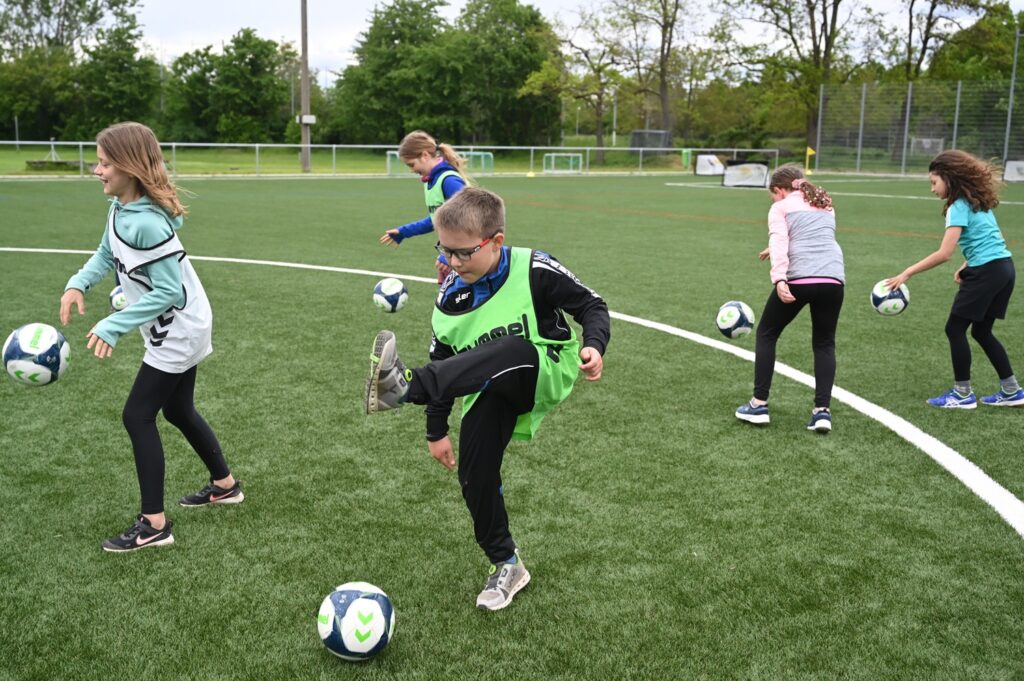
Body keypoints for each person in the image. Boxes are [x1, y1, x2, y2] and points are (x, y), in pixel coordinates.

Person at [365, 187, 610, 611]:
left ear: (496, 241)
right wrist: (436, 430)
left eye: (463, 253)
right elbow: (445, 360)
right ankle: (507, 563)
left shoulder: (534, 267)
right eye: (444, 251)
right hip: (489, 384)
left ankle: (405, 387)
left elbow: (592, 305)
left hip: (544, 367)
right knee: (475, 473)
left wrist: (594, 344)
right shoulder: (450, 296)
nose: (452, 263)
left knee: (512, 349)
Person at [59, 121, 243, 553]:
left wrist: (113, 324)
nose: (97, 171)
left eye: (105, 164)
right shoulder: (120, 209)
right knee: (177, 409)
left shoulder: (146, 223)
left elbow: (169, 291)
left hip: (179, 328)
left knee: (137, 415)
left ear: (129, 167)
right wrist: (77, 284)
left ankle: (154, 525)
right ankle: (225, 486)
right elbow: (107, 253)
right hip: (181, 323)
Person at [885, 150, 1020, 408]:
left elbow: (944, 253)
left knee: (954, 329)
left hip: (987, 272)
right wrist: (968, 263)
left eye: (934, 182)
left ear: (949, 178)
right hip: (1004, 268)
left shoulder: (958, 206)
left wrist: (907, 272)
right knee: (981, 331)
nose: (932, 189)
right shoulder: (977, 201)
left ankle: (962, 394)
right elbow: (993, 238)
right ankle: (1012, 390)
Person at [735, 165, 845, 432]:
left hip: (800, 279)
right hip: (833, 279)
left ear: (779, 190)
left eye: (772, 195)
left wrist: (780, 279)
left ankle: (759, 404)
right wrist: (772, 248)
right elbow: (813, 236)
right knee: (824, 343)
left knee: (767, 333)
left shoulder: (780, 207)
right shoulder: (825, 203)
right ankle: (822, 412)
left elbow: (781, 239)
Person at [379, 130, 469, 283]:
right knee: (448, 297)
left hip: (467, 256)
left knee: (464, 297)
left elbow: (469, 220)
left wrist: (451, 254)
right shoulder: (431, 181)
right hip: (454, 254)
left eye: (412, 164)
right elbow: (436, 220)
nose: (412, 170)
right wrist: (404, 231)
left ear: (425, 155)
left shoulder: (449, 181)